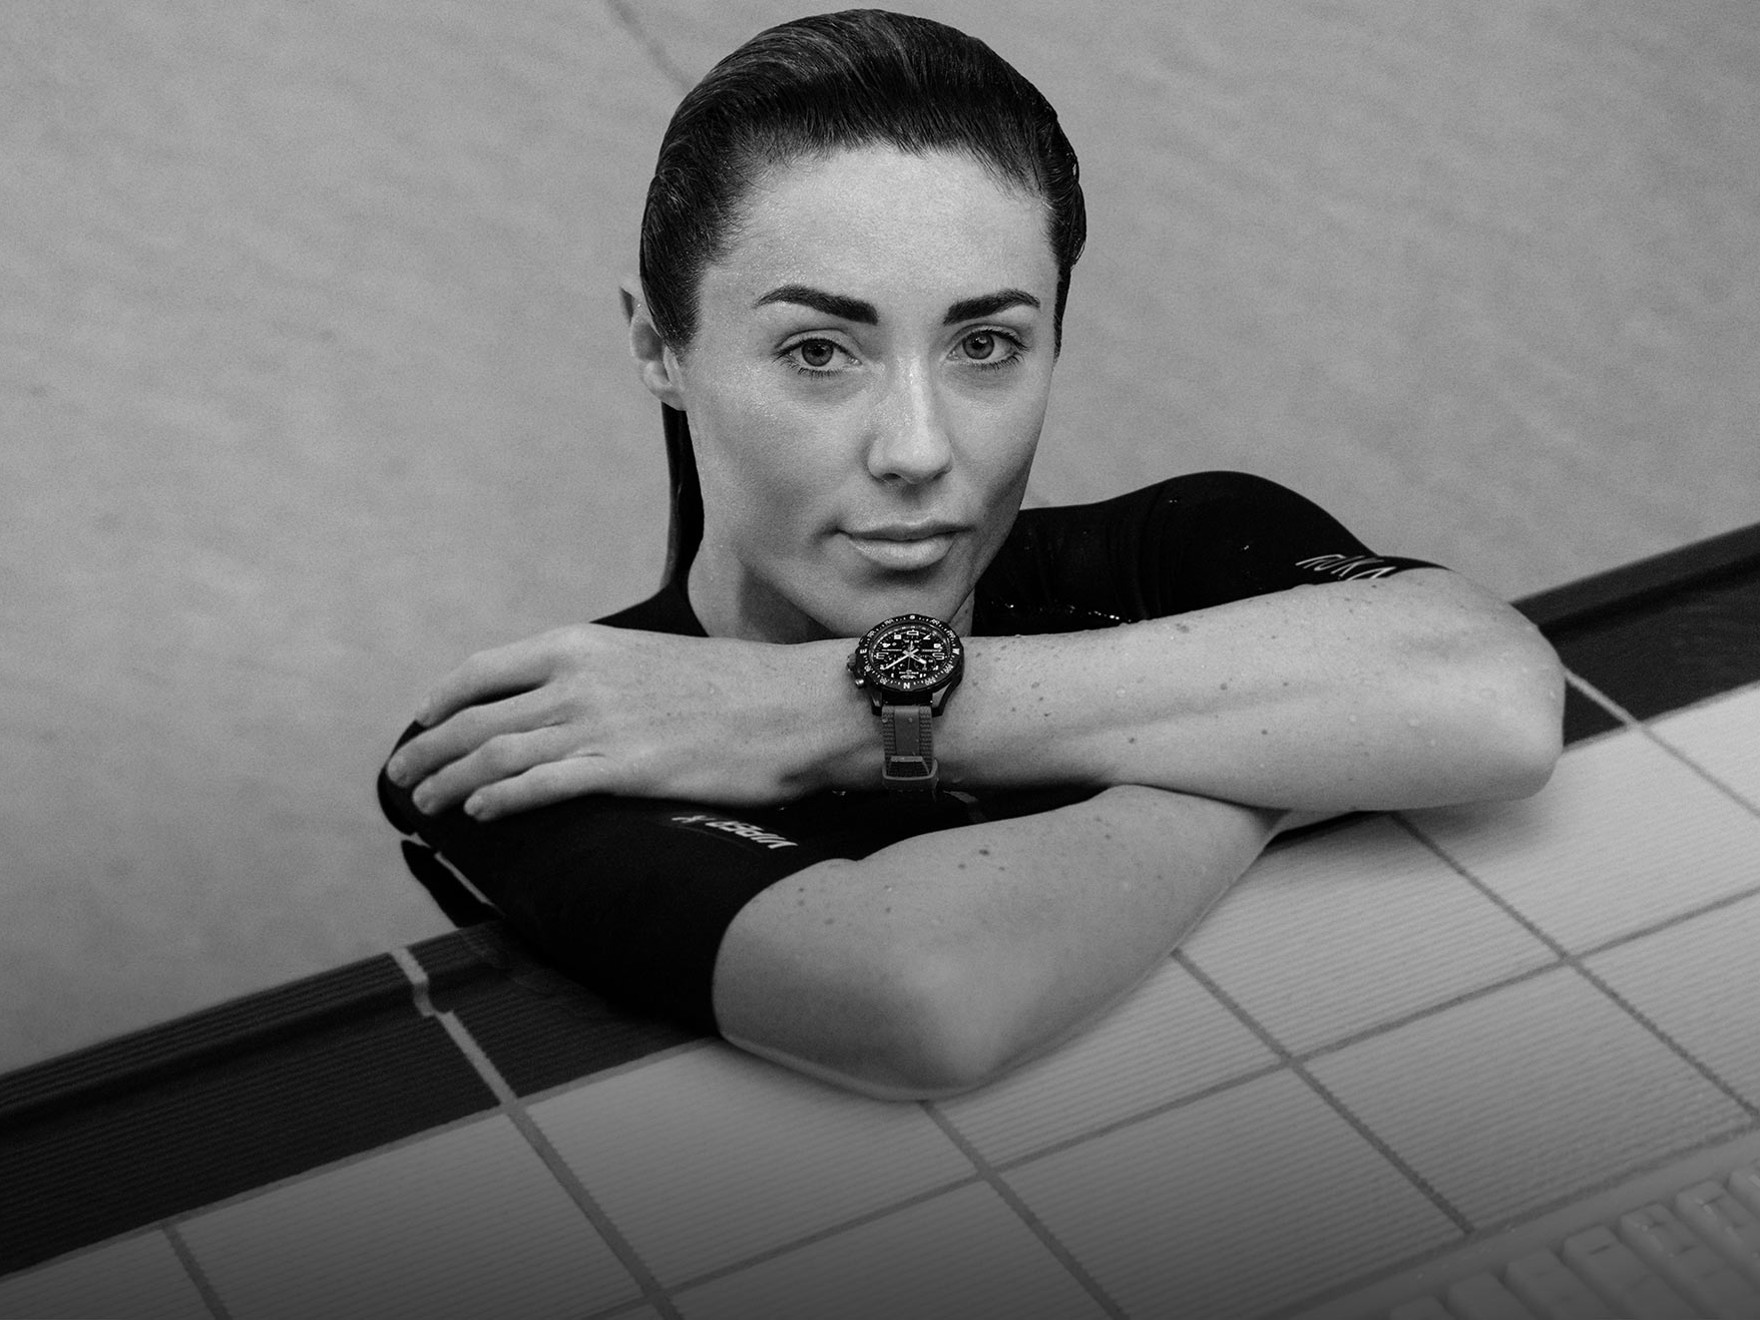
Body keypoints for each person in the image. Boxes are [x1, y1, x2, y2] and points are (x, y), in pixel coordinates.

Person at [379, 10, 1563, 1101]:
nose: (917, 448)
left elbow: (1495, 700)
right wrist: (1289, 753)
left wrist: (829, 710)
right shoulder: (560, 725)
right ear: (658, 346)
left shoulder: (1175, 540)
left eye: (986, 343)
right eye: (816, 352)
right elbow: (926, 996)